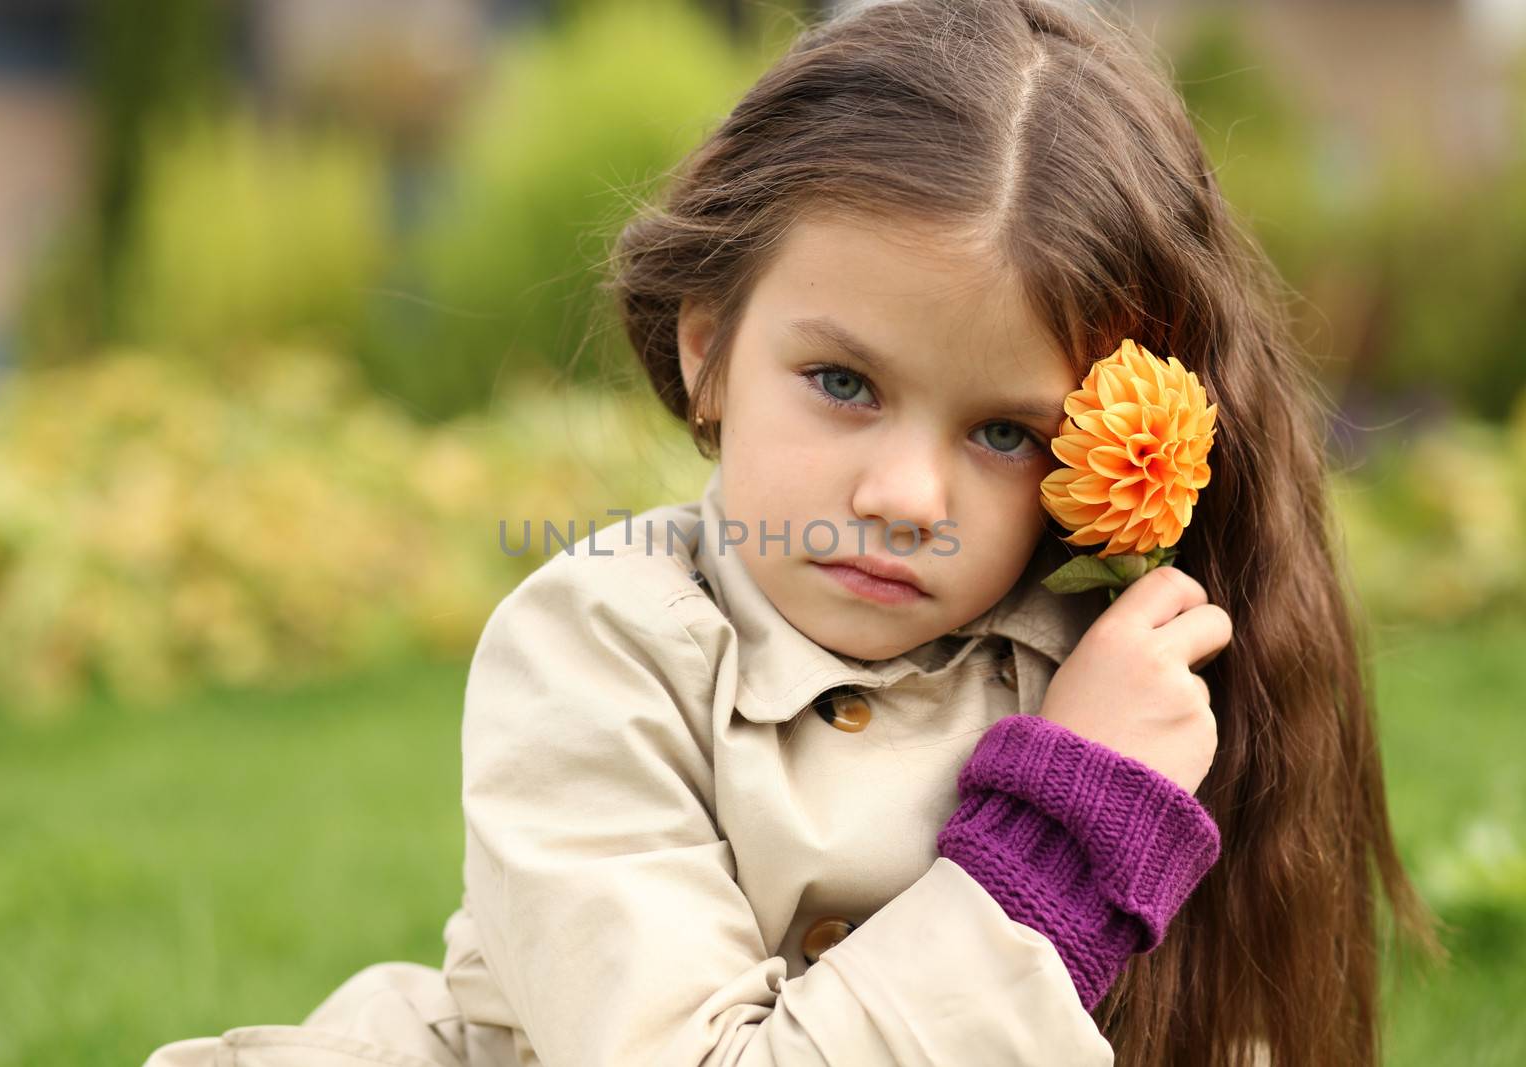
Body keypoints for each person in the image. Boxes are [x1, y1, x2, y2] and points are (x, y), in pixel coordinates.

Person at [141, 0, 1441, 1064]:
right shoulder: (599, 650)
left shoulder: (1119, 695)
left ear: (1110, 457)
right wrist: (1050, 853)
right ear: (710, 352)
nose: (904, 497)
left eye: (1005, 434)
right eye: (843, 384)